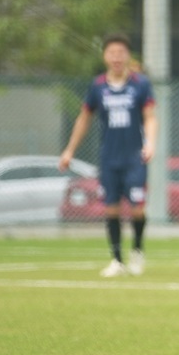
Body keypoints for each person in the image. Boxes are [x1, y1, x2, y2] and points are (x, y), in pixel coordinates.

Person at [59, 33, 158, 278]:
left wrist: (151, 143)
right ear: (105, 56)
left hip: (134, 158)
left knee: (137, 208)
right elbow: (84, 118)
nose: (116, 57)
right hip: (109, 158)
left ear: (127, 56)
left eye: (121, 53)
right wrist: (69, 150)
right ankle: (116, 260)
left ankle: (137, 251)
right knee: (111, 209)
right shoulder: (98, 86)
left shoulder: (140, 84)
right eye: (111, 52)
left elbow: (150, 116)